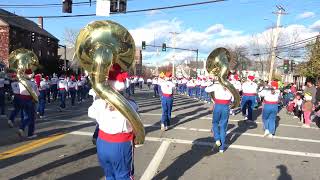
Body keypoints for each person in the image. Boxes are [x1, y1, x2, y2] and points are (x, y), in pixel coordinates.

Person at [88, 64, 137, 179]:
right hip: (121, 145)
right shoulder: (130, 104)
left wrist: (98, 97)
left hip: (102, 143)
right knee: (124, 176)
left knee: (109, 176)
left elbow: (91, 113)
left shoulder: (98, 103)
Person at [205, 81, 234, 153]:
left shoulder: (216, 85)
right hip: (226, 107)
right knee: (223, 127)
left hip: (218, 106)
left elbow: (206, 89)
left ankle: (217, 138)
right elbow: (233, 99)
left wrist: (212, 84)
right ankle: (221, 148)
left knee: (215, 123)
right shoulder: (231, 87)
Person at [18, 69, 39, 138]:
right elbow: (36, 94)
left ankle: (22, 128)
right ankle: (29, 133)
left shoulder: (20, 82)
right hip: (30, 100)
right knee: (31, 118)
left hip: (21, 100)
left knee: (25, 116)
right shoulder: (33, 83)